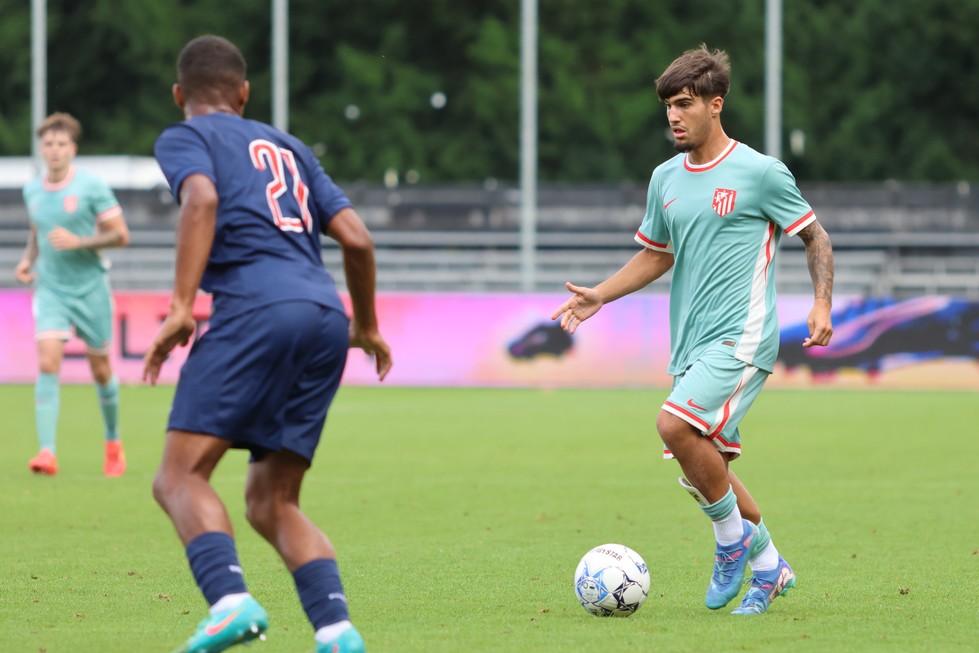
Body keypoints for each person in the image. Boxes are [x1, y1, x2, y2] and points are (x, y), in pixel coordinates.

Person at [551, 45, 834, 616]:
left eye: (684, 104)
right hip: (691, 343)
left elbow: (815, 237)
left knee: (673, 426)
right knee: (706, 470)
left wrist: (822, 303)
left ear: (715, 104)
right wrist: (600, 294)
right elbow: (657, 256)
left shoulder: (760, 172)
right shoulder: (665, 179)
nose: (674, 116)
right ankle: (769, 568)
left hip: (744, 336)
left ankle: (732, 542)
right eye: (668, 107)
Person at [144, 35, 392, 653]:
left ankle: (229, 602)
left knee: (179, 477)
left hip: (256, 309)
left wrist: (180, 308)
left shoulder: (186, 137)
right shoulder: (288, 145)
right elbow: (357, 241)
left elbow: (200, 199)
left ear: (181, 96)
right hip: (324, 316)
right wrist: (366, 324)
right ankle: (336, 631)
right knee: (271, 500)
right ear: (244, 93)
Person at [16, 112, 131, 477]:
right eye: (48, 144)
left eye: (61, 144)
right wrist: (27, 260)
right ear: (41, 148)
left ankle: (113, 442)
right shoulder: (32, 190)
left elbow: (121, 235)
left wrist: (80, 241)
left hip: (90, 288)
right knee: (48, 362)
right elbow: (38, 232)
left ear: (73, 149)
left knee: (101, 370)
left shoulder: (91, 187)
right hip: (50, 288)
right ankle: (47, 452)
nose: (54, 150)